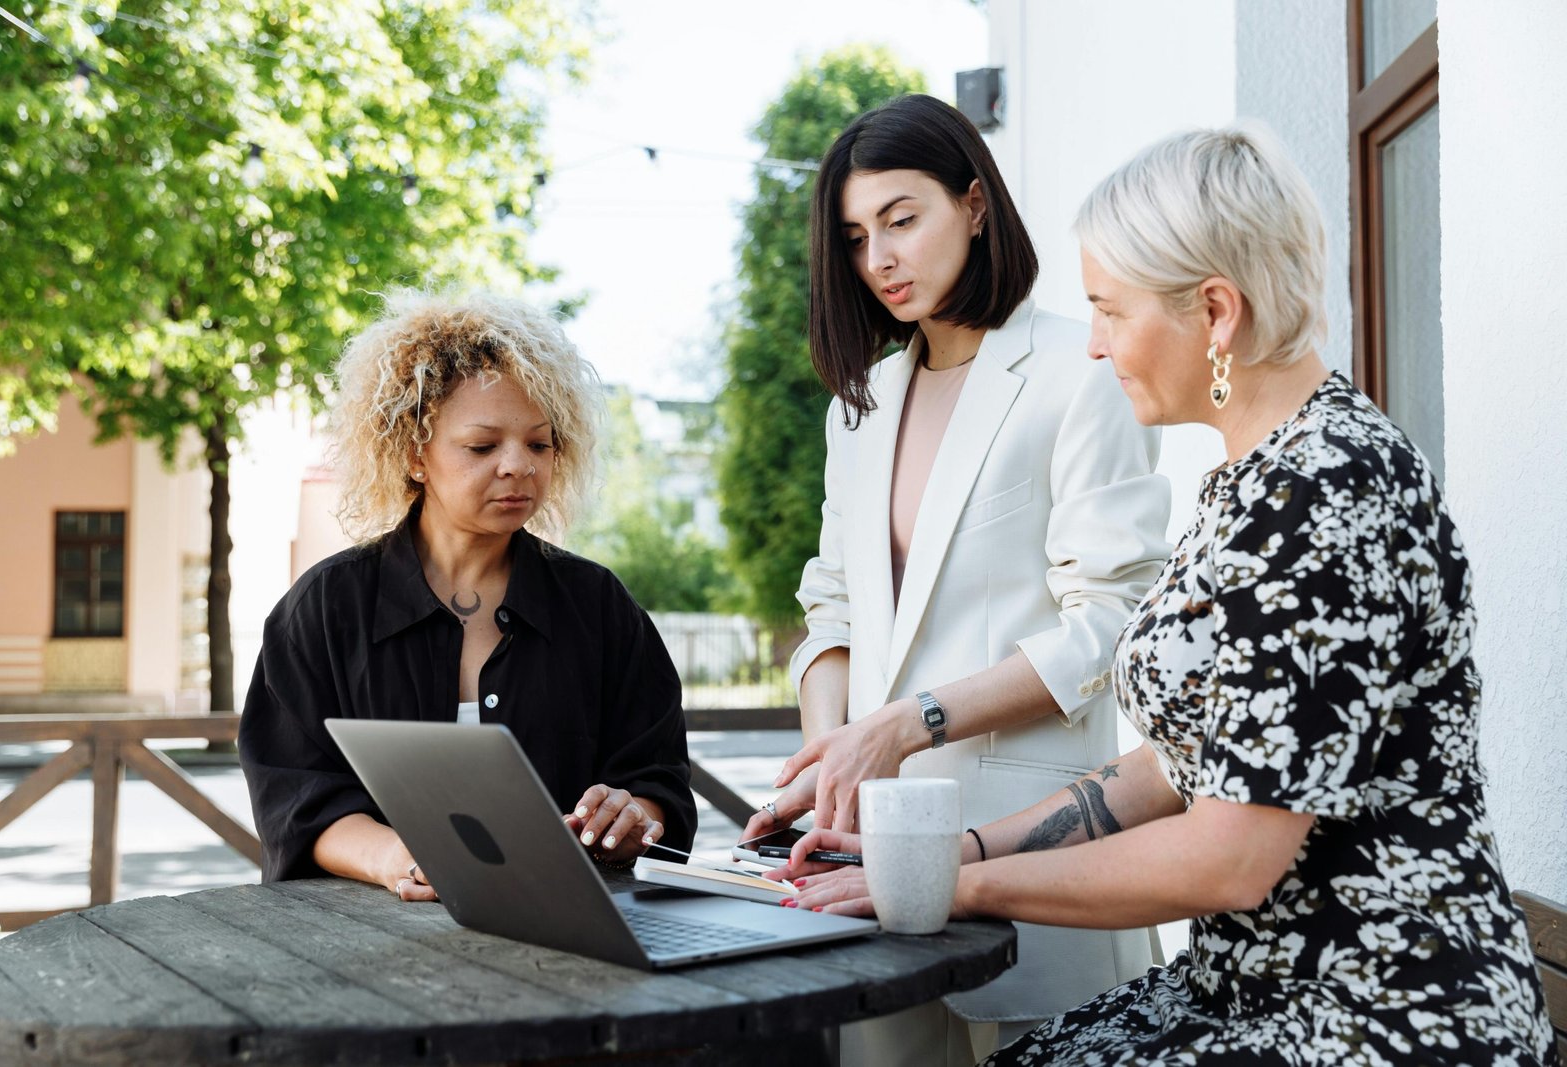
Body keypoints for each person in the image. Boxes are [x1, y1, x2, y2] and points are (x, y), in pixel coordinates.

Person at [773, 125, 1559, 1066]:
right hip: (1259, 985)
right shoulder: (1255, 480)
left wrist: (957, 886)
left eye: (1111, 310)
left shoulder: (1325, 492)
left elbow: (1232, 856)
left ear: (1215, 312)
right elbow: (1173, 767)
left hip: (1379, 1004)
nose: (1095, 344)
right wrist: (963, 849)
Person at [739, 94, 1172, 1063]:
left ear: (974, 204)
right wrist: (832, 757)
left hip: (1034, 859)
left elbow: (1112, 621)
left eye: (902, 219)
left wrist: (906, 723)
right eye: (856, 237)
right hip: (864, 868)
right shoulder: (859, 405)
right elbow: (832, 608)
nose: (879, 258)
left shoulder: (1079, 367)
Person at [238, 290, 697, 901]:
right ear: (414, 454)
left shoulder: (600, 606)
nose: (519, 466)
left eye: (540, 444)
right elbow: (293, 796)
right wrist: (395, 857)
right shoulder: (324, 609)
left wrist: (632, 816)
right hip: (358, 935)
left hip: (567, 929)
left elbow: (659, 783)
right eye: (483, 446)